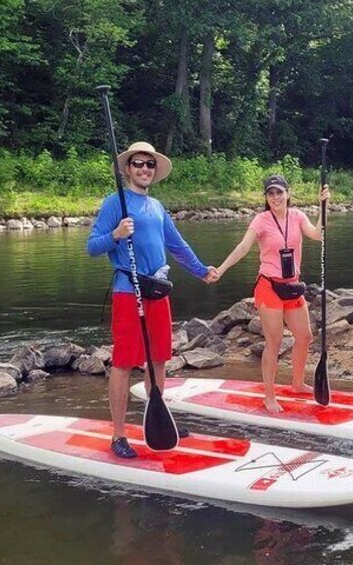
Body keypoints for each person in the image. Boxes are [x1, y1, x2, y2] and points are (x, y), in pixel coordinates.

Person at [87, 141, 219, 458]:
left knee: (159, 358)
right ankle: (118, 435)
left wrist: (201, 271)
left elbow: (177, 244)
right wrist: (116, 234)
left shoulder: (156, 207)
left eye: (149, 164)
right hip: (127, 291)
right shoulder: (114, 203)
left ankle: (158, 417)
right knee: (122, 362)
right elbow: (92, 247)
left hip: (158, 290)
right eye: (138, 163)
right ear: (128, 169)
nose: (144, 169)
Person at [215, 174, 329, 412]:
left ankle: (297, 384)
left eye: (279, 192)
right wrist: (222, 268)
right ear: (266, 197)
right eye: (271, 193)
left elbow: (318, 234)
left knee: (305, 337)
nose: (275, 197)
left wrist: (323, 206)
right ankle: (269, 395)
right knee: (274, 341)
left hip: (292, 285)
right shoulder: (261, 220)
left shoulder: (297, 216)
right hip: (268, 286)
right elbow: (244, 247)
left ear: (288, 193)